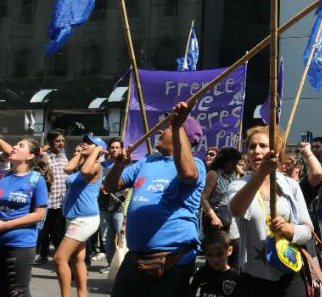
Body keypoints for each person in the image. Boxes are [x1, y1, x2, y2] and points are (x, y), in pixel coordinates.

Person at [104, 102, 205, 296]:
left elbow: (188, 175)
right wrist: (118, 166)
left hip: (173, 260)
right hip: (135, 257)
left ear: (182, 135)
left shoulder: (197, 165)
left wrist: (176, 126)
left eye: (166, 127)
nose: (159, 131)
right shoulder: (147, 161)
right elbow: (109, 187)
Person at [229, 126, 313, 296]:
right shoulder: (239, 185)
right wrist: (261, 173)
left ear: (277, 151)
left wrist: (289, 229)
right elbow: (236, 210)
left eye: (263, 146)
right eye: (252, 147)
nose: (256, 151)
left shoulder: (290, 185)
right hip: (253, 279)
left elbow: (308, 231)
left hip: (290, 275)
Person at [0, 137, 49, 297]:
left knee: (17, 292)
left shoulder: (36, 179)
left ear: (30, 156)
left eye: (20, 145)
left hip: (21, 244)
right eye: (15, 144)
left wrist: (5, 226)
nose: (14, 147)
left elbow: (39, 214)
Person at [54, 135, 106, 297]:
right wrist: (80, 153)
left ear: (98, 149)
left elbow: (85, 170)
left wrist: (96, 151)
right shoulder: (81, 164)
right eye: (85, 142)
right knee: (78, 260)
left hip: (84, 219)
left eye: (90, 143)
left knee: (59, 258)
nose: (85, 144)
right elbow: (67, 169)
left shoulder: (96, 166)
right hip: (74, 218)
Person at [201, 147, 242, 268]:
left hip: (234, 226)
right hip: (218, 226)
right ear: (224, 161)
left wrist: (237, 167)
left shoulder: (234, 174)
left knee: (234, 262)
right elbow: (203, 198)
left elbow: (243, 174)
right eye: (233, 162)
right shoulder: (213, 174)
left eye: (236, 162)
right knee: (216, 263)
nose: (235, 164)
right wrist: (213, 217)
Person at [98, 138, 126, 274]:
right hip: (103, 206)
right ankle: (110, 263)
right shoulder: (101, 165)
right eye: (112, 147)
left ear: (121, 149)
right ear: (108, 149)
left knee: (122, 239)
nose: (114, 150)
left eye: (117, 147)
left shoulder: (126, 165)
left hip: (120, 208)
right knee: (106, 238)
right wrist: (100, 186)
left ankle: (123, 265)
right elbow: (93, 181)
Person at [188, 230, 239, 297]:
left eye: (219, 254)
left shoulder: (236, 278)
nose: (215, 259)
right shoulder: (201, 273)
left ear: (229, 250)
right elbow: (191, 292)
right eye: (210, 255)